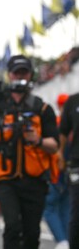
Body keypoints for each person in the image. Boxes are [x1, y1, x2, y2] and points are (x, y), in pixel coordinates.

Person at [0, 55, 59, 249]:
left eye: (24, 72)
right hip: (5, 179)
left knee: (32, 232)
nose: (20, 76)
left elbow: (55, 144)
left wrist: (37, 140)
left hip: (35, 179)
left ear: (30, 75)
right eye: (16, 72)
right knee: (12, 226)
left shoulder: (42, 108)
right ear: (9, 75)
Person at [43, 94, 71, 249]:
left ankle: (62, 241)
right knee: (66, 207)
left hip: (56, 172)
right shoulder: (74, 123)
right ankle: (67, 239)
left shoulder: (58, 124)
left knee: (50, 207)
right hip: (70, 172)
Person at [59, 90, 79, 249]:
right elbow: (63, 132)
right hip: (77, 163)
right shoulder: (73, 101)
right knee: (77, 212)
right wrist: (60, 155)